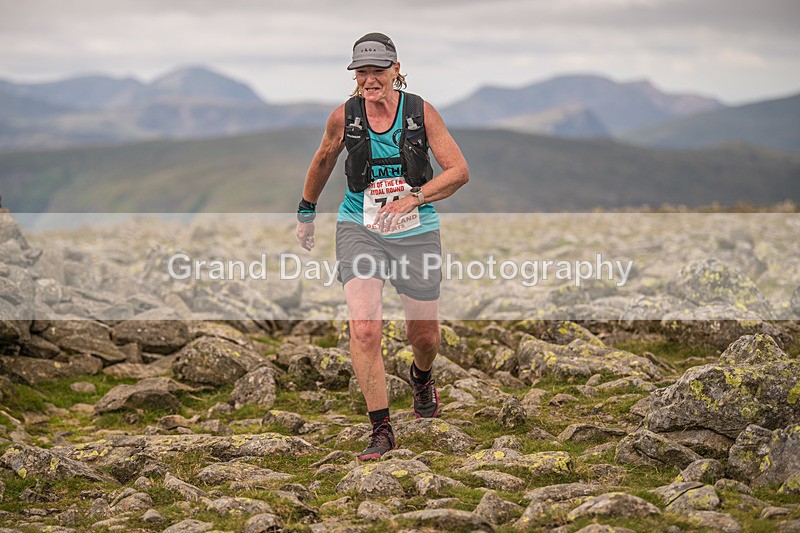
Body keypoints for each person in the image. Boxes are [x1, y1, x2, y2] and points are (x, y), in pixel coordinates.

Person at [296, 32, 469, 461]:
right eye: (362, 72)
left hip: (416, 229)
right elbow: (322, 160)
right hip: (361, 226)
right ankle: (381, 429)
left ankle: (421, 376)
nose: (369, 80)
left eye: (378, 71)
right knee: (365, 327)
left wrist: (417, 195)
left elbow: (459, 171)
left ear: (396, 70)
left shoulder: (421, 113)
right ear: (354, 76)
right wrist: (306, 211)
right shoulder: (343, 117)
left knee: (424, 335)